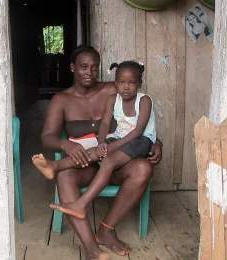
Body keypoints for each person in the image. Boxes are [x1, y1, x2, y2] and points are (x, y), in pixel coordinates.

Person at [38, 45, 163, 259]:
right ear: (72, 68)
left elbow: (136, 123)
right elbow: (47, 137)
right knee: (64, 174)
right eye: (83, 67)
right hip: (83, 165)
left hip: (115, 161)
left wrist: (157, 142)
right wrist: (66, 145)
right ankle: (91, 249)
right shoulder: (62, 100)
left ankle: (106, 230)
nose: (89, 72)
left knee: (143, 168)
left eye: (94, 68)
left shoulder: (114, 89)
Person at [33, 61, 156, 221]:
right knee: (95, 153)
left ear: (139, 83)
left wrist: (113, 146)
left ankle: (81, 204)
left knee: (108, 161)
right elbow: (104, 123)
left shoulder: (144, 100)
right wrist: (103, 142)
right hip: (120, 139)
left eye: (131, 83)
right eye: (121, 82)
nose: (126, 87)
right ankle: (54, 166)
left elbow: (138, 131)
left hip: (141, 141)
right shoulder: (113, 99)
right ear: (115, 82)